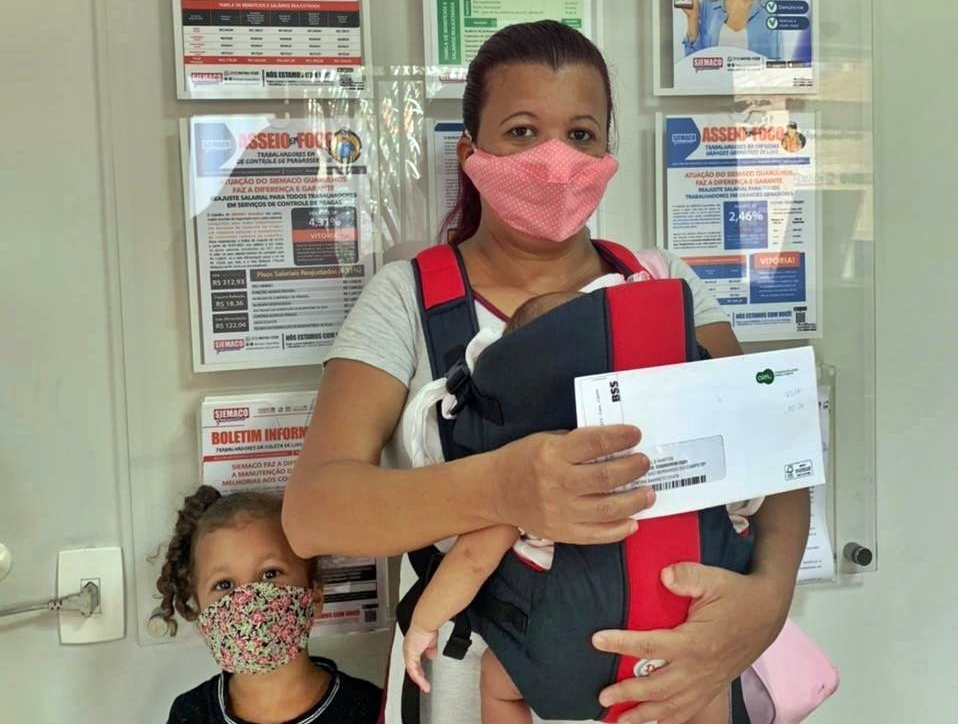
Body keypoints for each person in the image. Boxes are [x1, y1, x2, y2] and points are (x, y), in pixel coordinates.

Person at [284, 19, 810, 724]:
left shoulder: (664, 284)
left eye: (581, 134)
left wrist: (765, 601)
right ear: (471, 153)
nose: (556, 159)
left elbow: (774, 458)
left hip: (678, 672)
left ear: (605, 153)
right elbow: (314, 512)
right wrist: (504, 488)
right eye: (523, 131)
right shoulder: (408, 298)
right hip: (483, 677)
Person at [400, 286, 753, 724]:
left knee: (497, 679)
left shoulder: (531, 481)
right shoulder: (691, 458)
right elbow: (748, 508)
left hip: (567, 661)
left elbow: (472, 560)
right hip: (683, 642)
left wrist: (424, 624)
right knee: (708, 688)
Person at [157, 485, 382, 724]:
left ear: (314, 596)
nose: (248, 600)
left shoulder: (370, 708)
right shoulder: (191, 714)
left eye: (270, 574)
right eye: (224, 585)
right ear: (202, 614)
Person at [680, 0, 783, 59]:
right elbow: (693, 64)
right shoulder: (708, 6)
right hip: (715, 88)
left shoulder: (771, 9)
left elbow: (778, 65)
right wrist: (692, 18)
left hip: (756, 89)